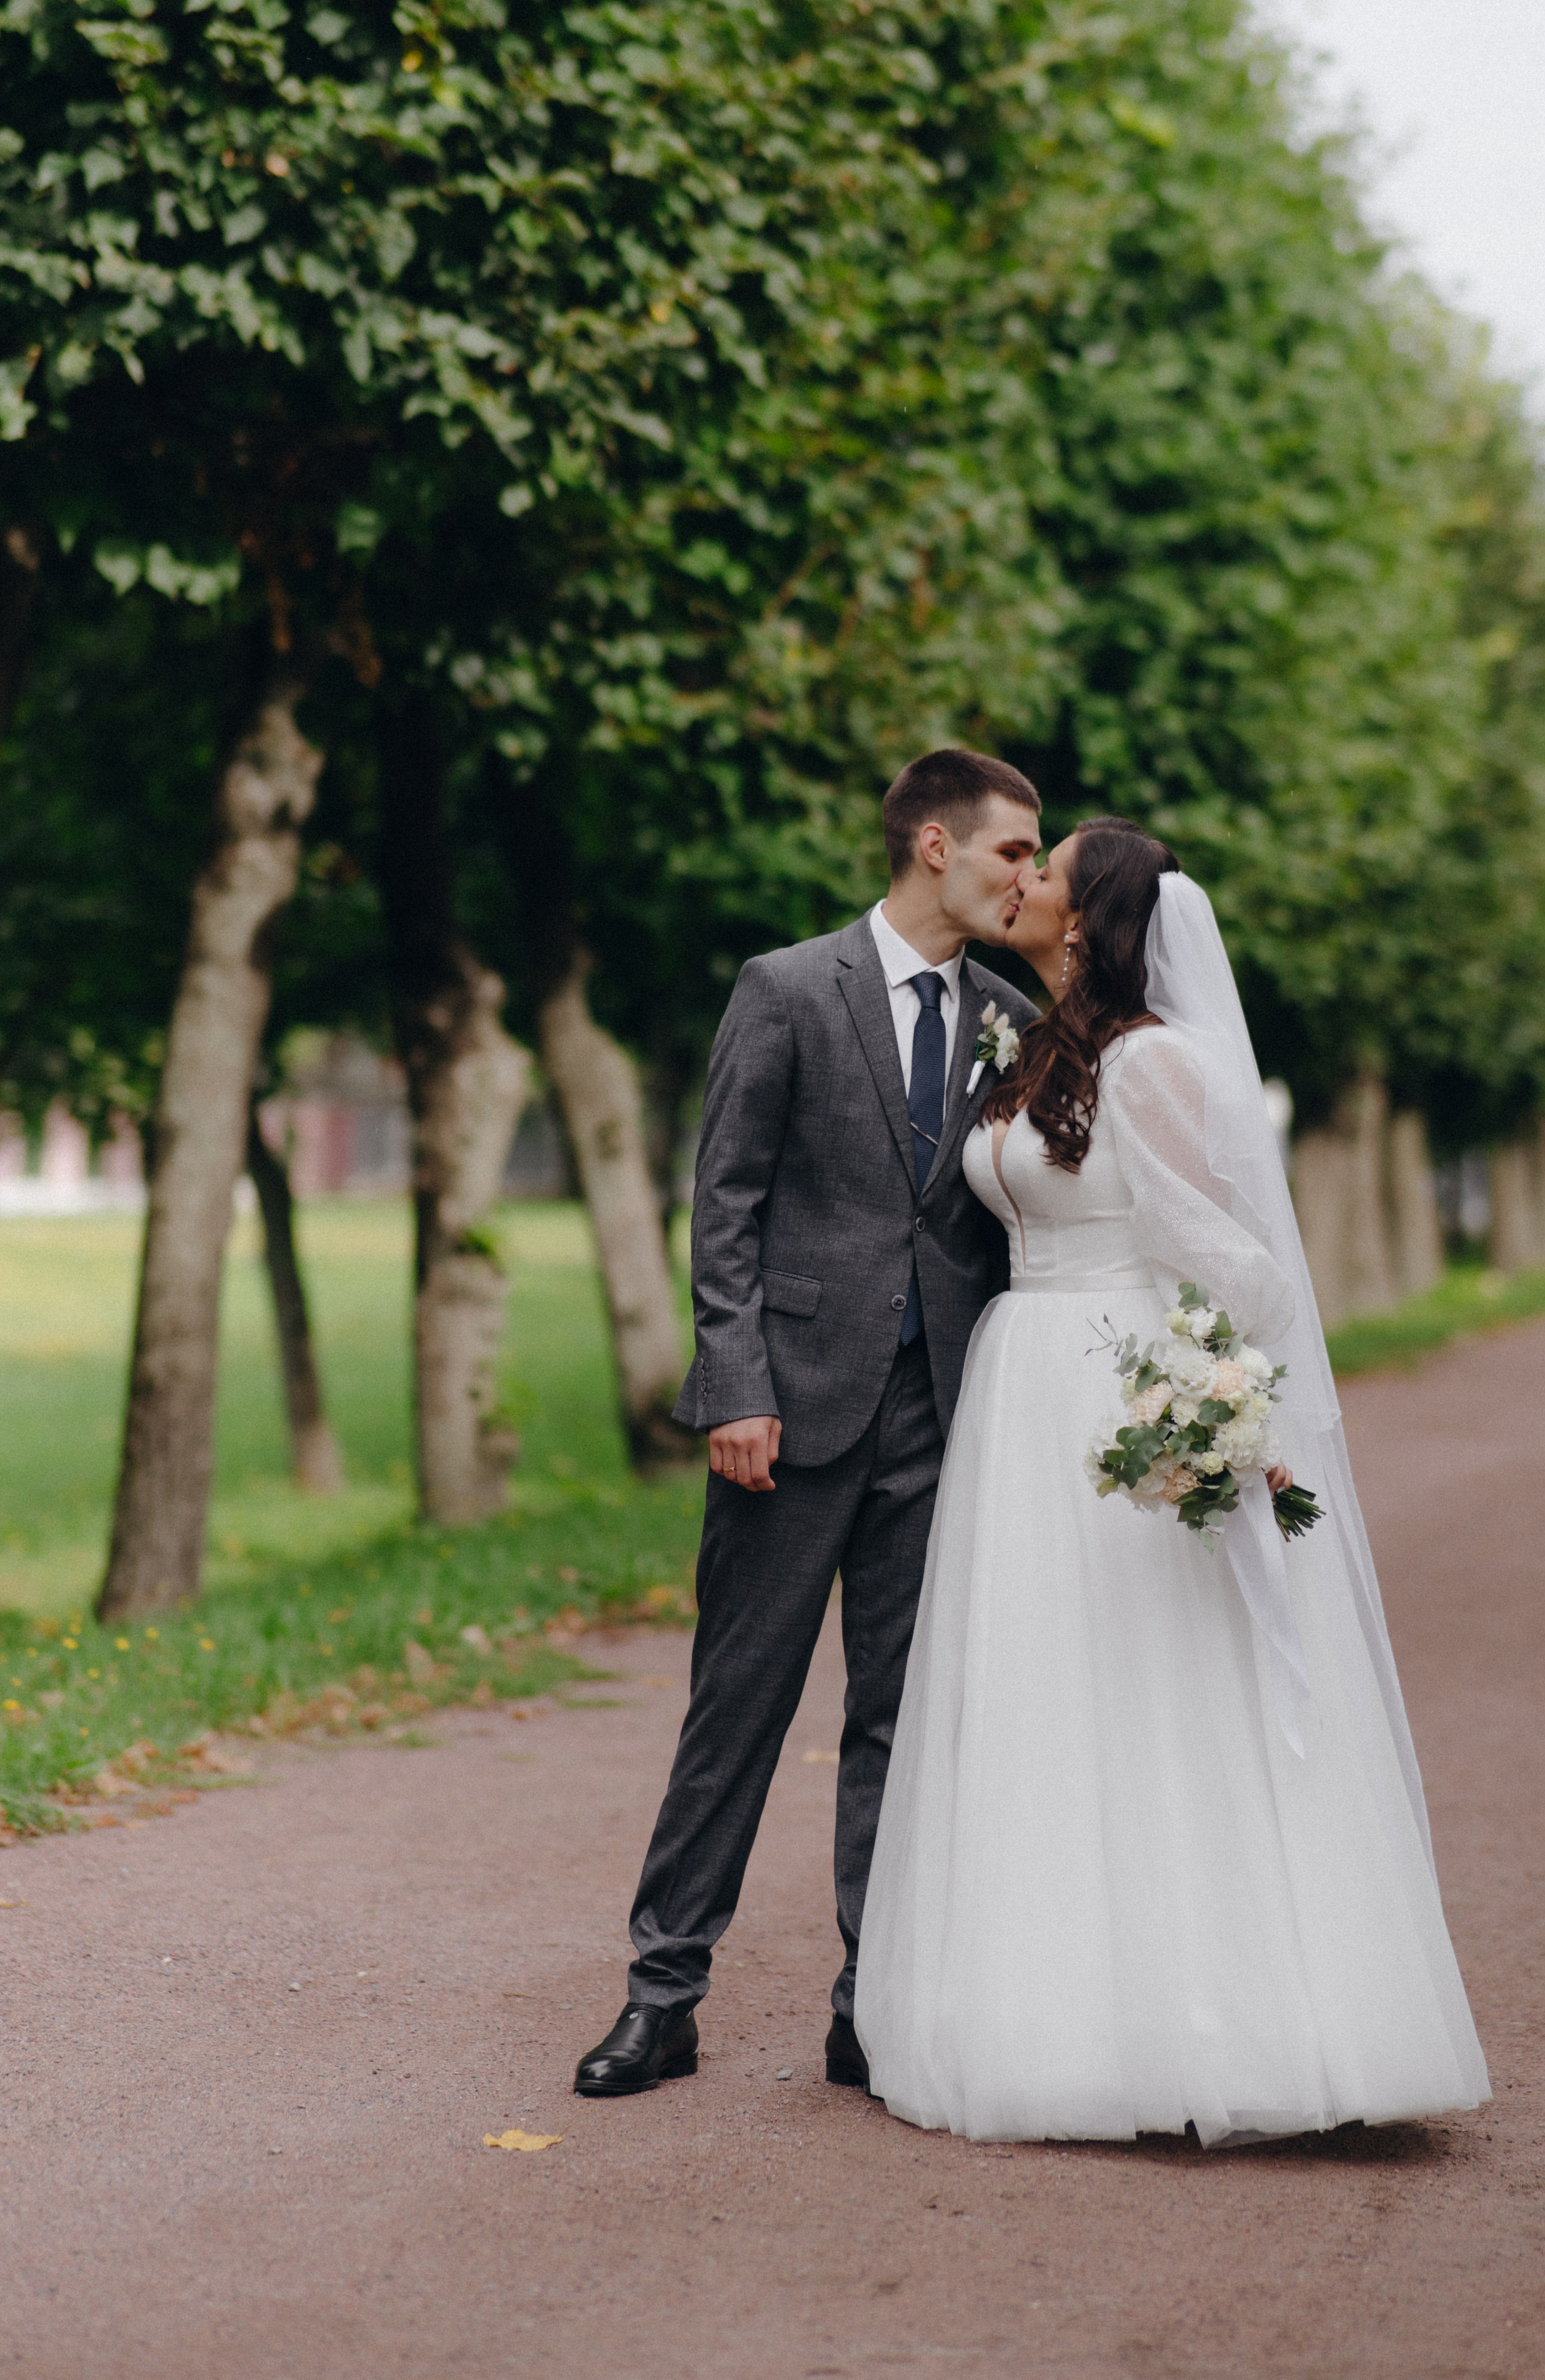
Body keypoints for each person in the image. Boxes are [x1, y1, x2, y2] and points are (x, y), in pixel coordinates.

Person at [854, 818, 1491, 2142]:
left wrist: (1207, 1397)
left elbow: (1243, 1265)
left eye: (1047, 869)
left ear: (1087, 919)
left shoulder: (1150, 1064)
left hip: (1110, 1391)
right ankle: (1041, 2005)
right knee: (1043, 1689)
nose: (1021, 882)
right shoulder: (1033, 1040)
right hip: (1016, 1394)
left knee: (1149, 1685)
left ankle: (1213, 2020)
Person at [573, 750, 1044, 2098]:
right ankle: (662, 1997)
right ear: (935, 843)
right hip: (785, 1418)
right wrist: (736, 1385)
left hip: (938, 1422)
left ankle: (866, 2000)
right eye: (1014, 851)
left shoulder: (1011, 1015)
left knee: (899, 1720)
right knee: (739, 1710)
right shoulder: (785, 988)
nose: (1030, 875)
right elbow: (724, 1202)